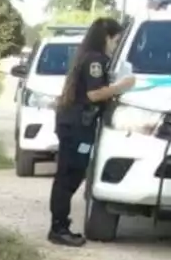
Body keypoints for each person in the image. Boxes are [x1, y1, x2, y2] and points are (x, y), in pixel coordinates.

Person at [48, 17, 136, 247]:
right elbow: (94, 94)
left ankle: (60, 225)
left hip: (77, 124)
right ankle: (58, 228)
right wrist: (122, 86)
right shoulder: (94, 60)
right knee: (68, 176)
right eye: (115, 40)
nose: (115, 45)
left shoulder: (90, 57)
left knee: (71, 175)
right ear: (106, 37)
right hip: (76, 125)